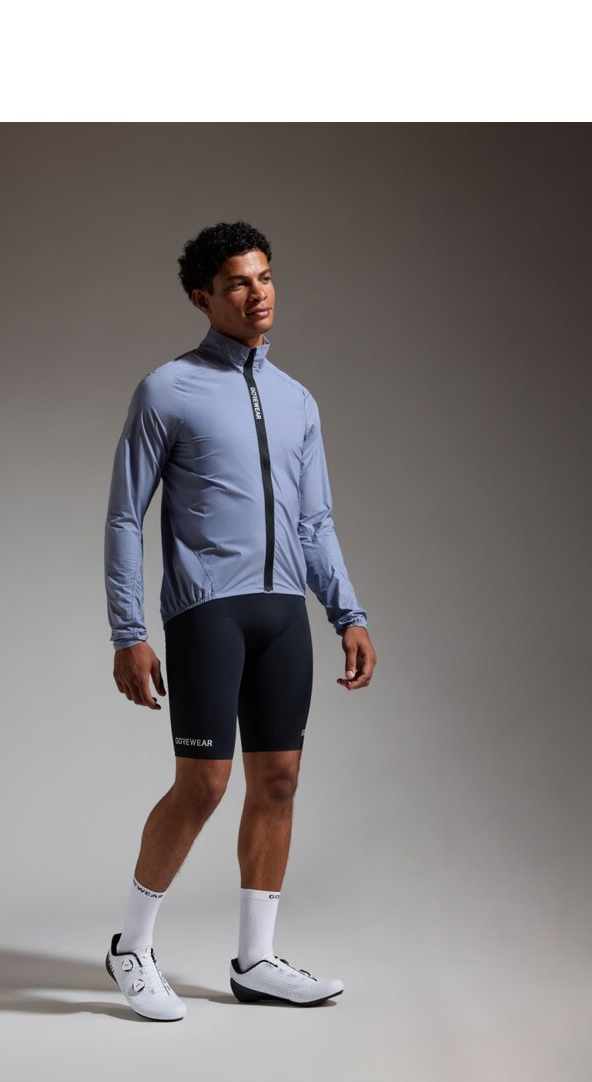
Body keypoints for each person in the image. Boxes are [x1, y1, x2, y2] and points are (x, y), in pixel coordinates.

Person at [102, 220, 377, 1021]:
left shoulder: (298, 400)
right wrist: (128, 631)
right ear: (203, 297)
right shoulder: (168, 390)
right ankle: (130, 948)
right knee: (205, 785)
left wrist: (348, 612)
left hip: (283, 613)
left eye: (265, 277)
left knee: (279, 780)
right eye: (237, 284)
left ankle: (256, 960)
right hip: (206, 613)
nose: (258, 295)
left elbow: (315, 522)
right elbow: (123, 517)